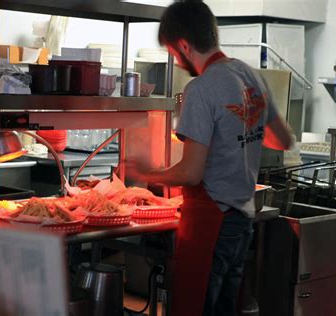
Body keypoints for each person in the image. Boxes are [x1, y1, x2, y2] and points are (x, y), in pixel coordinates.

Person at [126, 2, 294, 316]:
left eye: (175, 54)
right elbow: (283, 140)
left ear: (185, 45)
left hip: (211, 219)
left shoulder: (201, 88)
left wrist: (151, 172)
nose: (177, 62)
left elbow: (191, 173)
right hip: (242, 220)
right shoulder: (249, 75)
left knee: (196, 308)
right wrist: (244, 127)